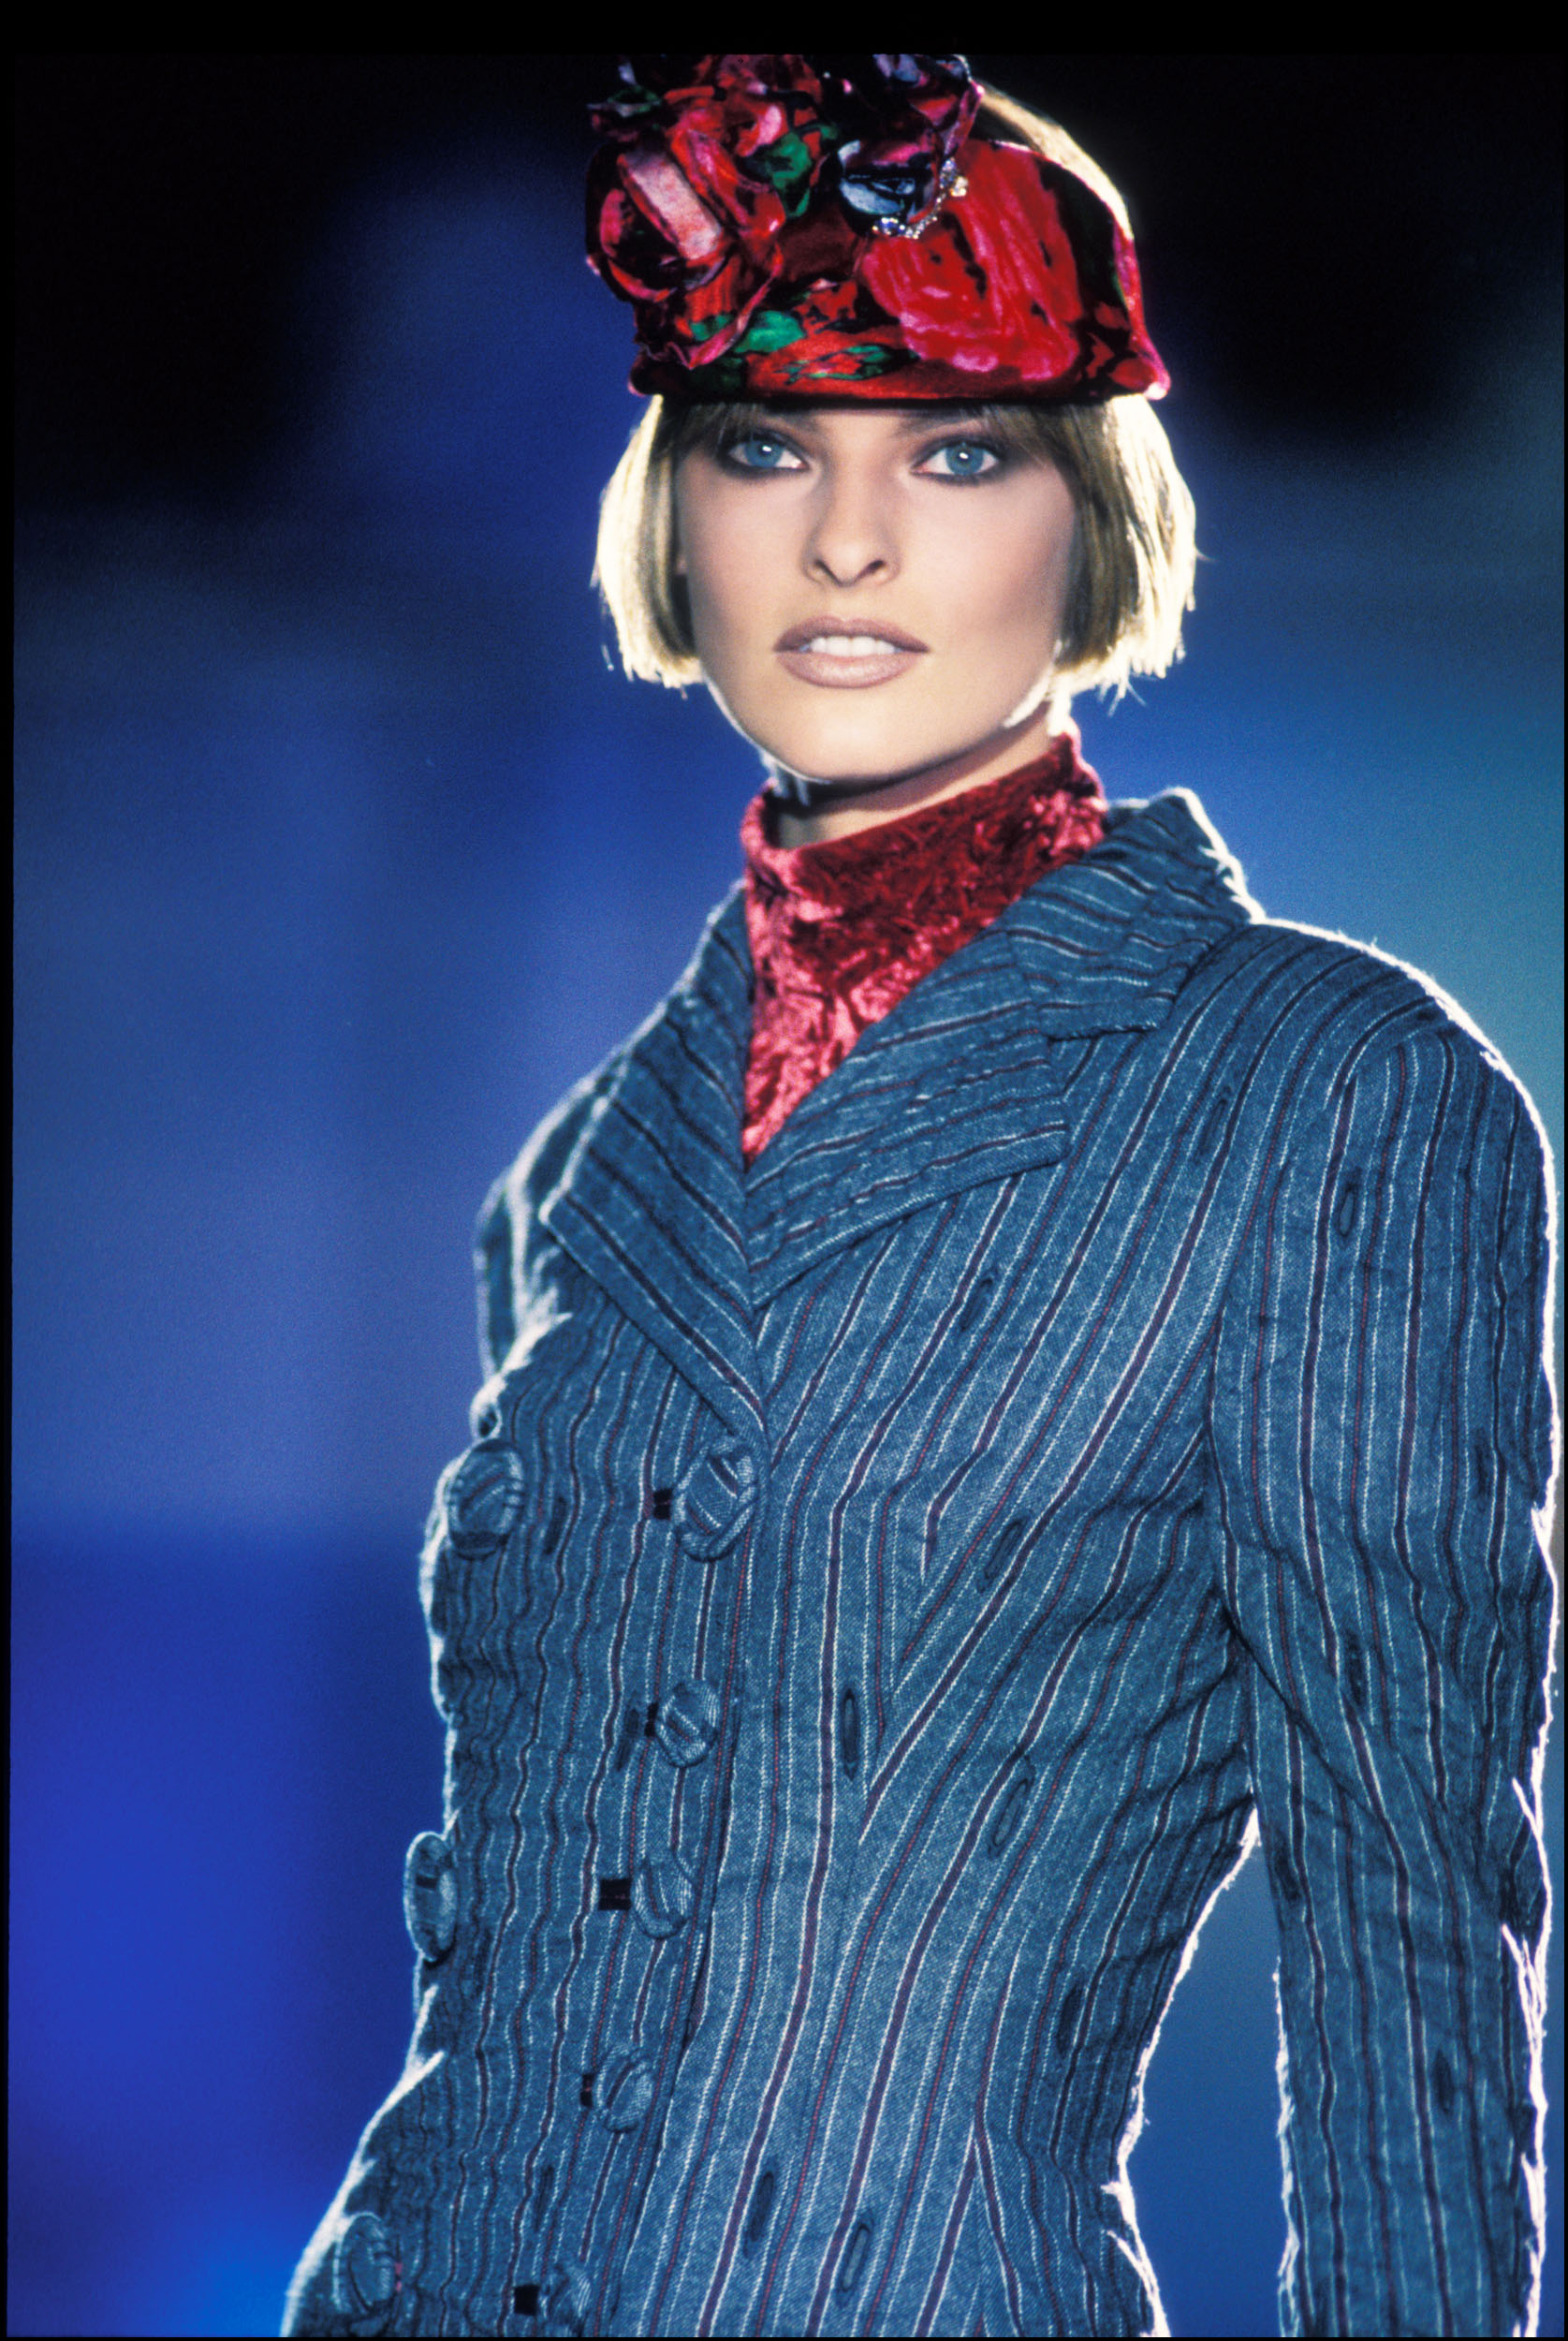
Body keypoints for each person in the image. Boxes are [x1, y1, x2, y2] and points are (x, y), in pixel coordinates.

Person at [283, 55, 1557, 2338]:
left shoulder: (1319, 1095)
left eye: (956, 450)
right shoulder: (583, 1172)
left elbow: (1402, 1925)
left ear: (1093, 515)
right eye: (765, 445)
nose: (844, 540)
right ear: (674, 514)